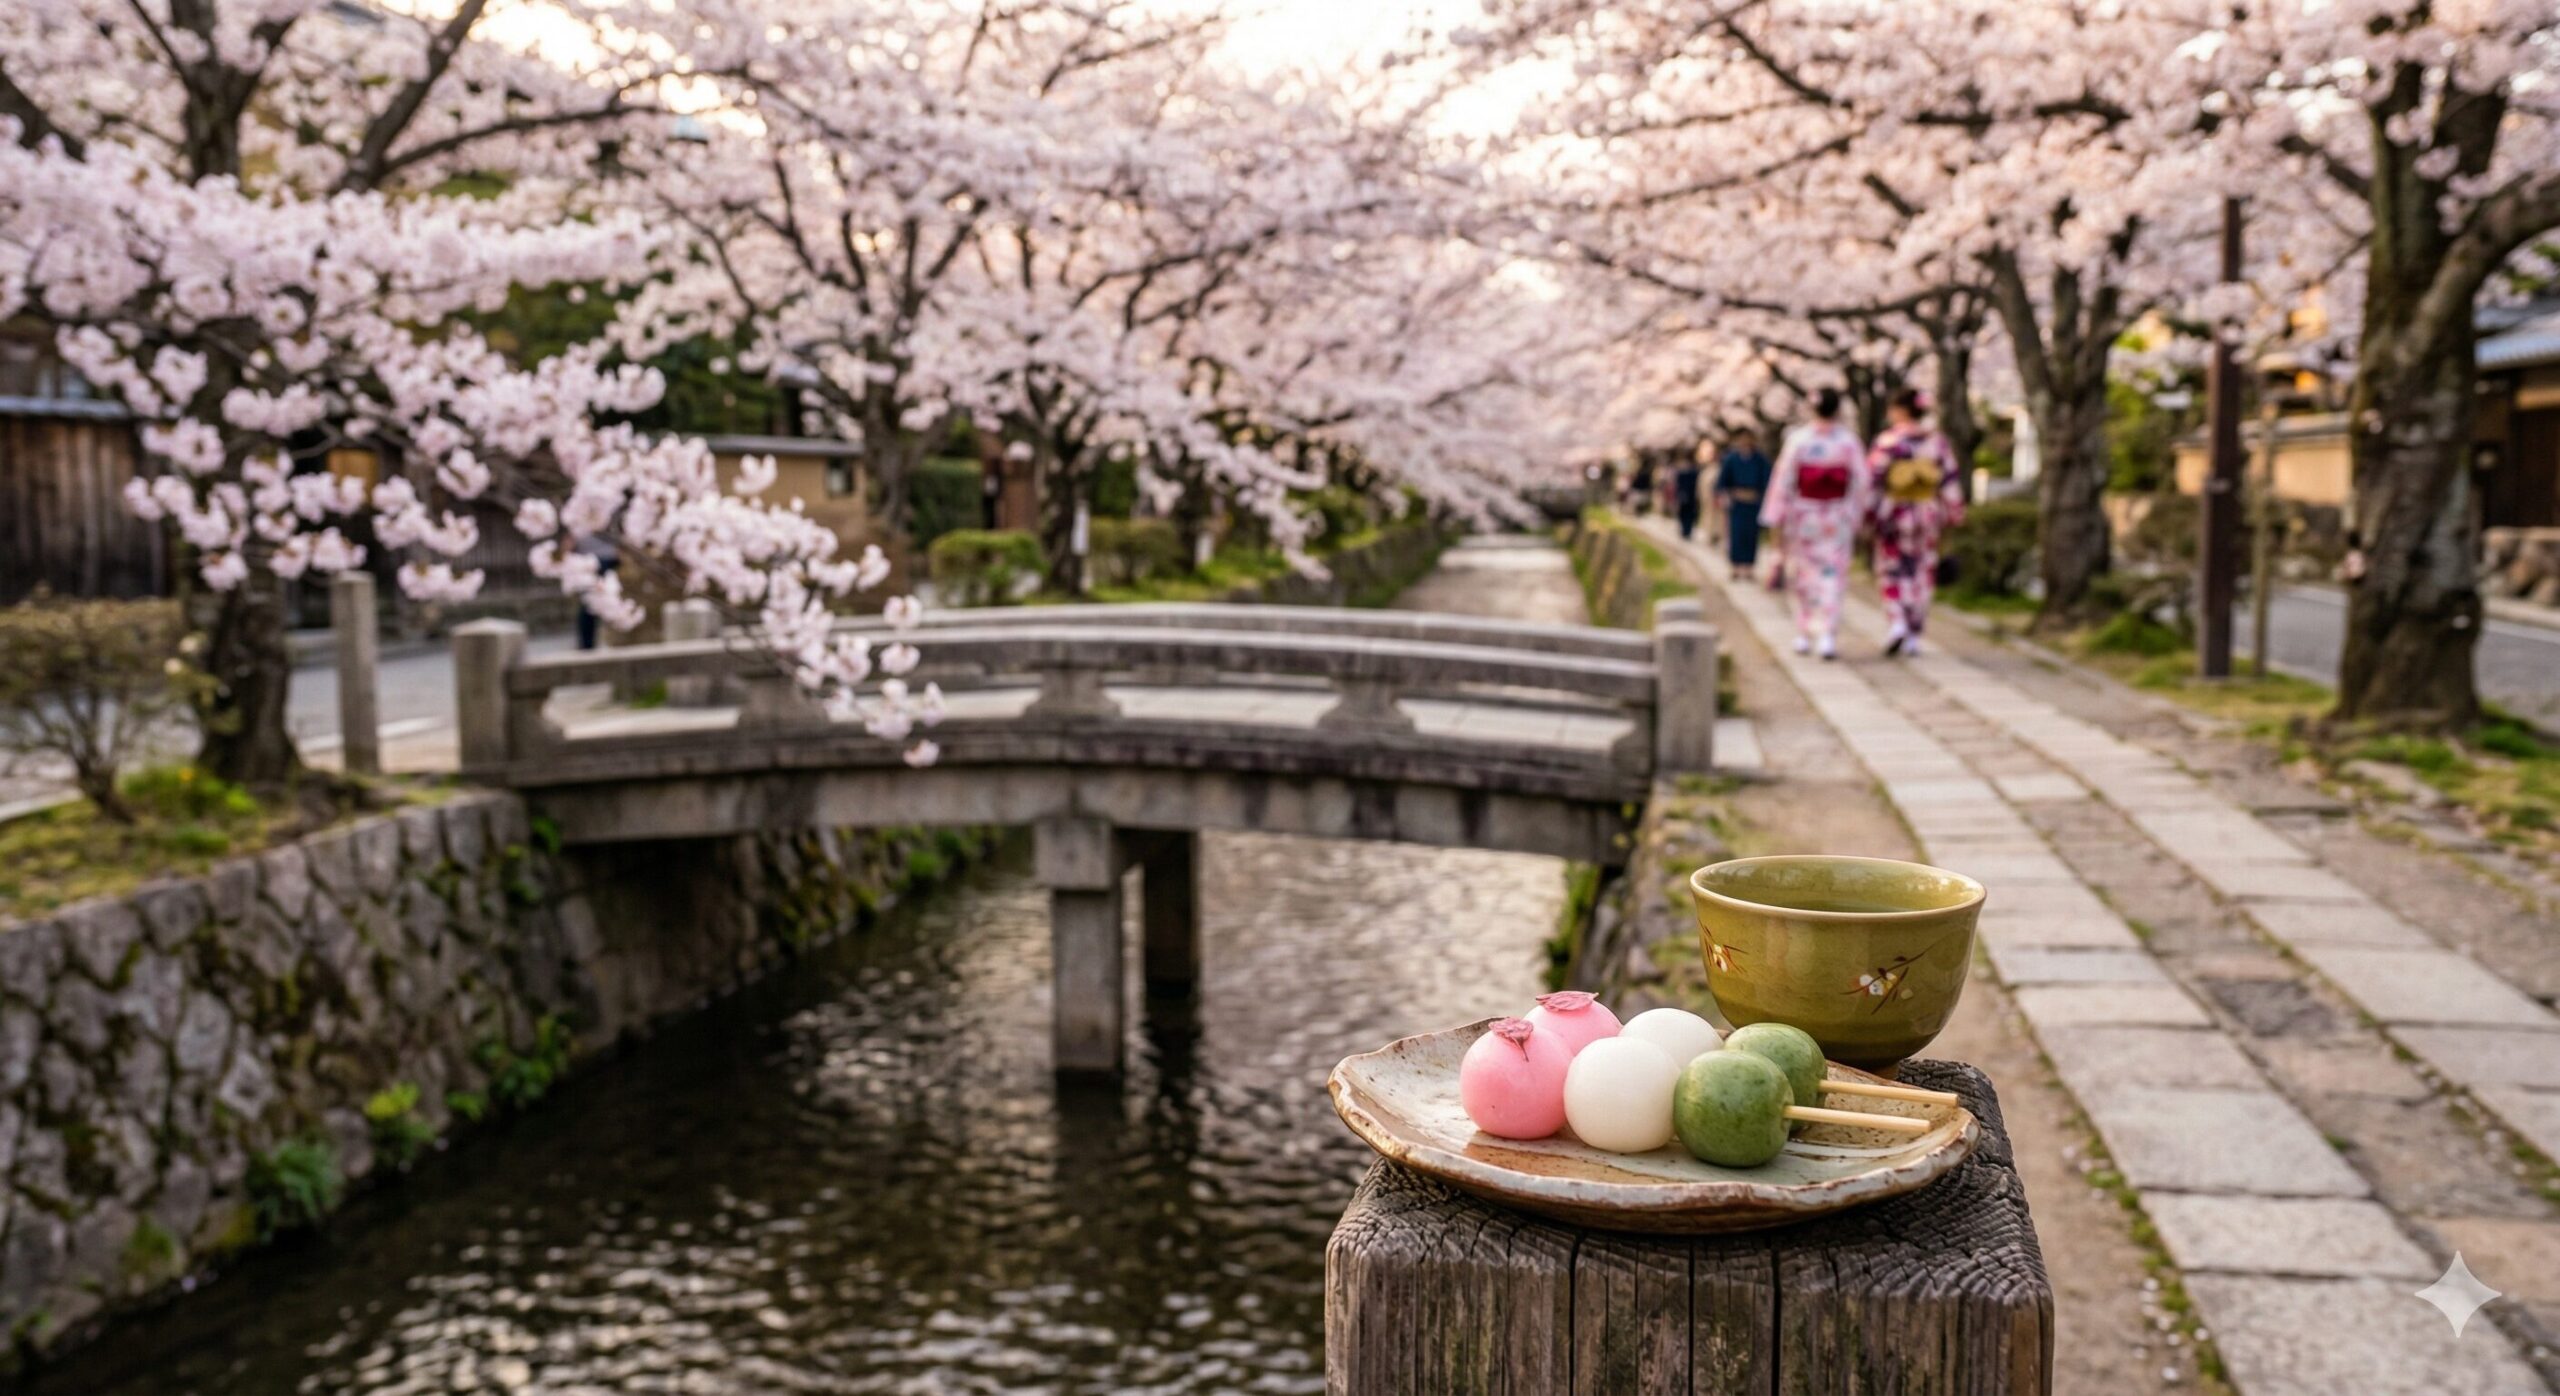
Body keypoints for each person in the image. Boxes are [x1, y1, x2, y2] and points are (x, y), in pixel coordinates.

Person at [1759, 388, 1867, 659]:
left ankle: (1804, 631)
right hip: (1837, 516)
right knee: (1834, 575)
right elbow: (1861, 483)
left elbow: (1783, 482)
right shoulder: (1848, 442)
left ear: (1811, 409)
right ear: (1838, 409)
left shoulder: (1799, 439)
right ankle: (1828, 634)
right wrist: (1858, 516)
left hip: (1804, 516)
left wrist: (1777, 518)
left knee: (1804, 575)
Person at [1866, 387, 1965, 657]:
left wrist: (1868, 514)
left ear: (1901, 410)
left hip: (1895, 514)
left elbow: (1872, 480)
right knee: (1923, 571)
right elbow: (1949, 479)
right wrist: (1954, 511)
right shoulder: (1936, 442)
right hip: (1927, 513)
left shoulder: (1888, 441)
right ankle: (1914, 634)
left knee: (1892, 569)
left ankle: (1897, 621)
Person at [1711, 428, 1773, 580]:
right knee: (1736, 534)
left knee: (1751, 535)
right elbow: (1722, 481)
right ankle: (1736, 566)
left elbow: (1768, 481)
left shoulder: (1760, 459)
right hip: (1737, 502)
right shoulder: (1731, 459)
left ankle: (1749, 567)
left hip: (1754, 502)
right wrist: (1726, 496)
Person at [1672, 446, 1706, 541]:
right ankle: (1686, 530)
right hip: (1688, 495)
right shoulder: (1691, 470)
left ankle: (1686, 530)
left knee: (1686, 513)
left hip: (1688, 495)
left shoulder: (1691, 471)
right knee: (1686, 513)